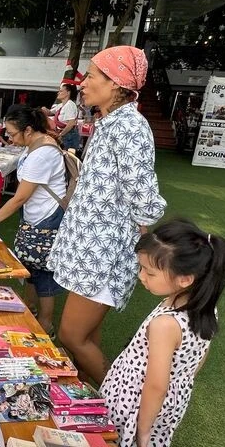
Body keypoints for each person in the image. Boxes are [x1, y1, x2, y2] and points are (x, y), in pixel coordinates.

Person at [48, 45, 166, 384]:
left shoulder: (128, 126)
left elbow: (144, 196)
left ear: (116, 83)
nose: (83, 83)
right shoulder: (112, 122)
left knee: (72, 336)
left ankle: (115, 404)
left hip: (102, 253)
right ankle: (94, 405)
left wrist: (130, 229)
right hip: (91, 250)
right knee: (87, 335)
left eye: (93, 76)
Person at [101, 219, 225, 447]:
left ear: (184, 279)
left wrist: (142, 431)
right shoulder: (204, 307)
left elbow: (156, 385)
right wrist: (180, 380)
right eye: (141, 268)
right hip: (170, 401)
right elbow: (199, 357)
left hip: (134, 402)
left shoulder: (165, 324)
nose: (141, 276)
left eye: (150, 272)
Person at [0, 107, 66, 333]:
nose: (9, 138)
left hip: (47, 217)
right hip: (36, 215)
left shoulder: (42, 154)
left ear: (28, 130)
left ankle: (45, 325)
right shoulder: (33, 146)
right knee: (31, 268)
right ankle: (29, 309)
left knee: (44, 274)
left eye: (13, 134)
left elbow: (20, 197)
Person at [43, 84, 81, 151]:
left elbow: (71, 123)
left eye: (61, 91)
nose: (58, 93)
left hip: (68, 135)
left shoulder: (70, 105)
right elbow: (50, 112)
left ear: (68, 93)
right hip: (64, 134)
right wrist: (44, 109)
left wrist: (61, 134)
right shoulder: (61, 105)